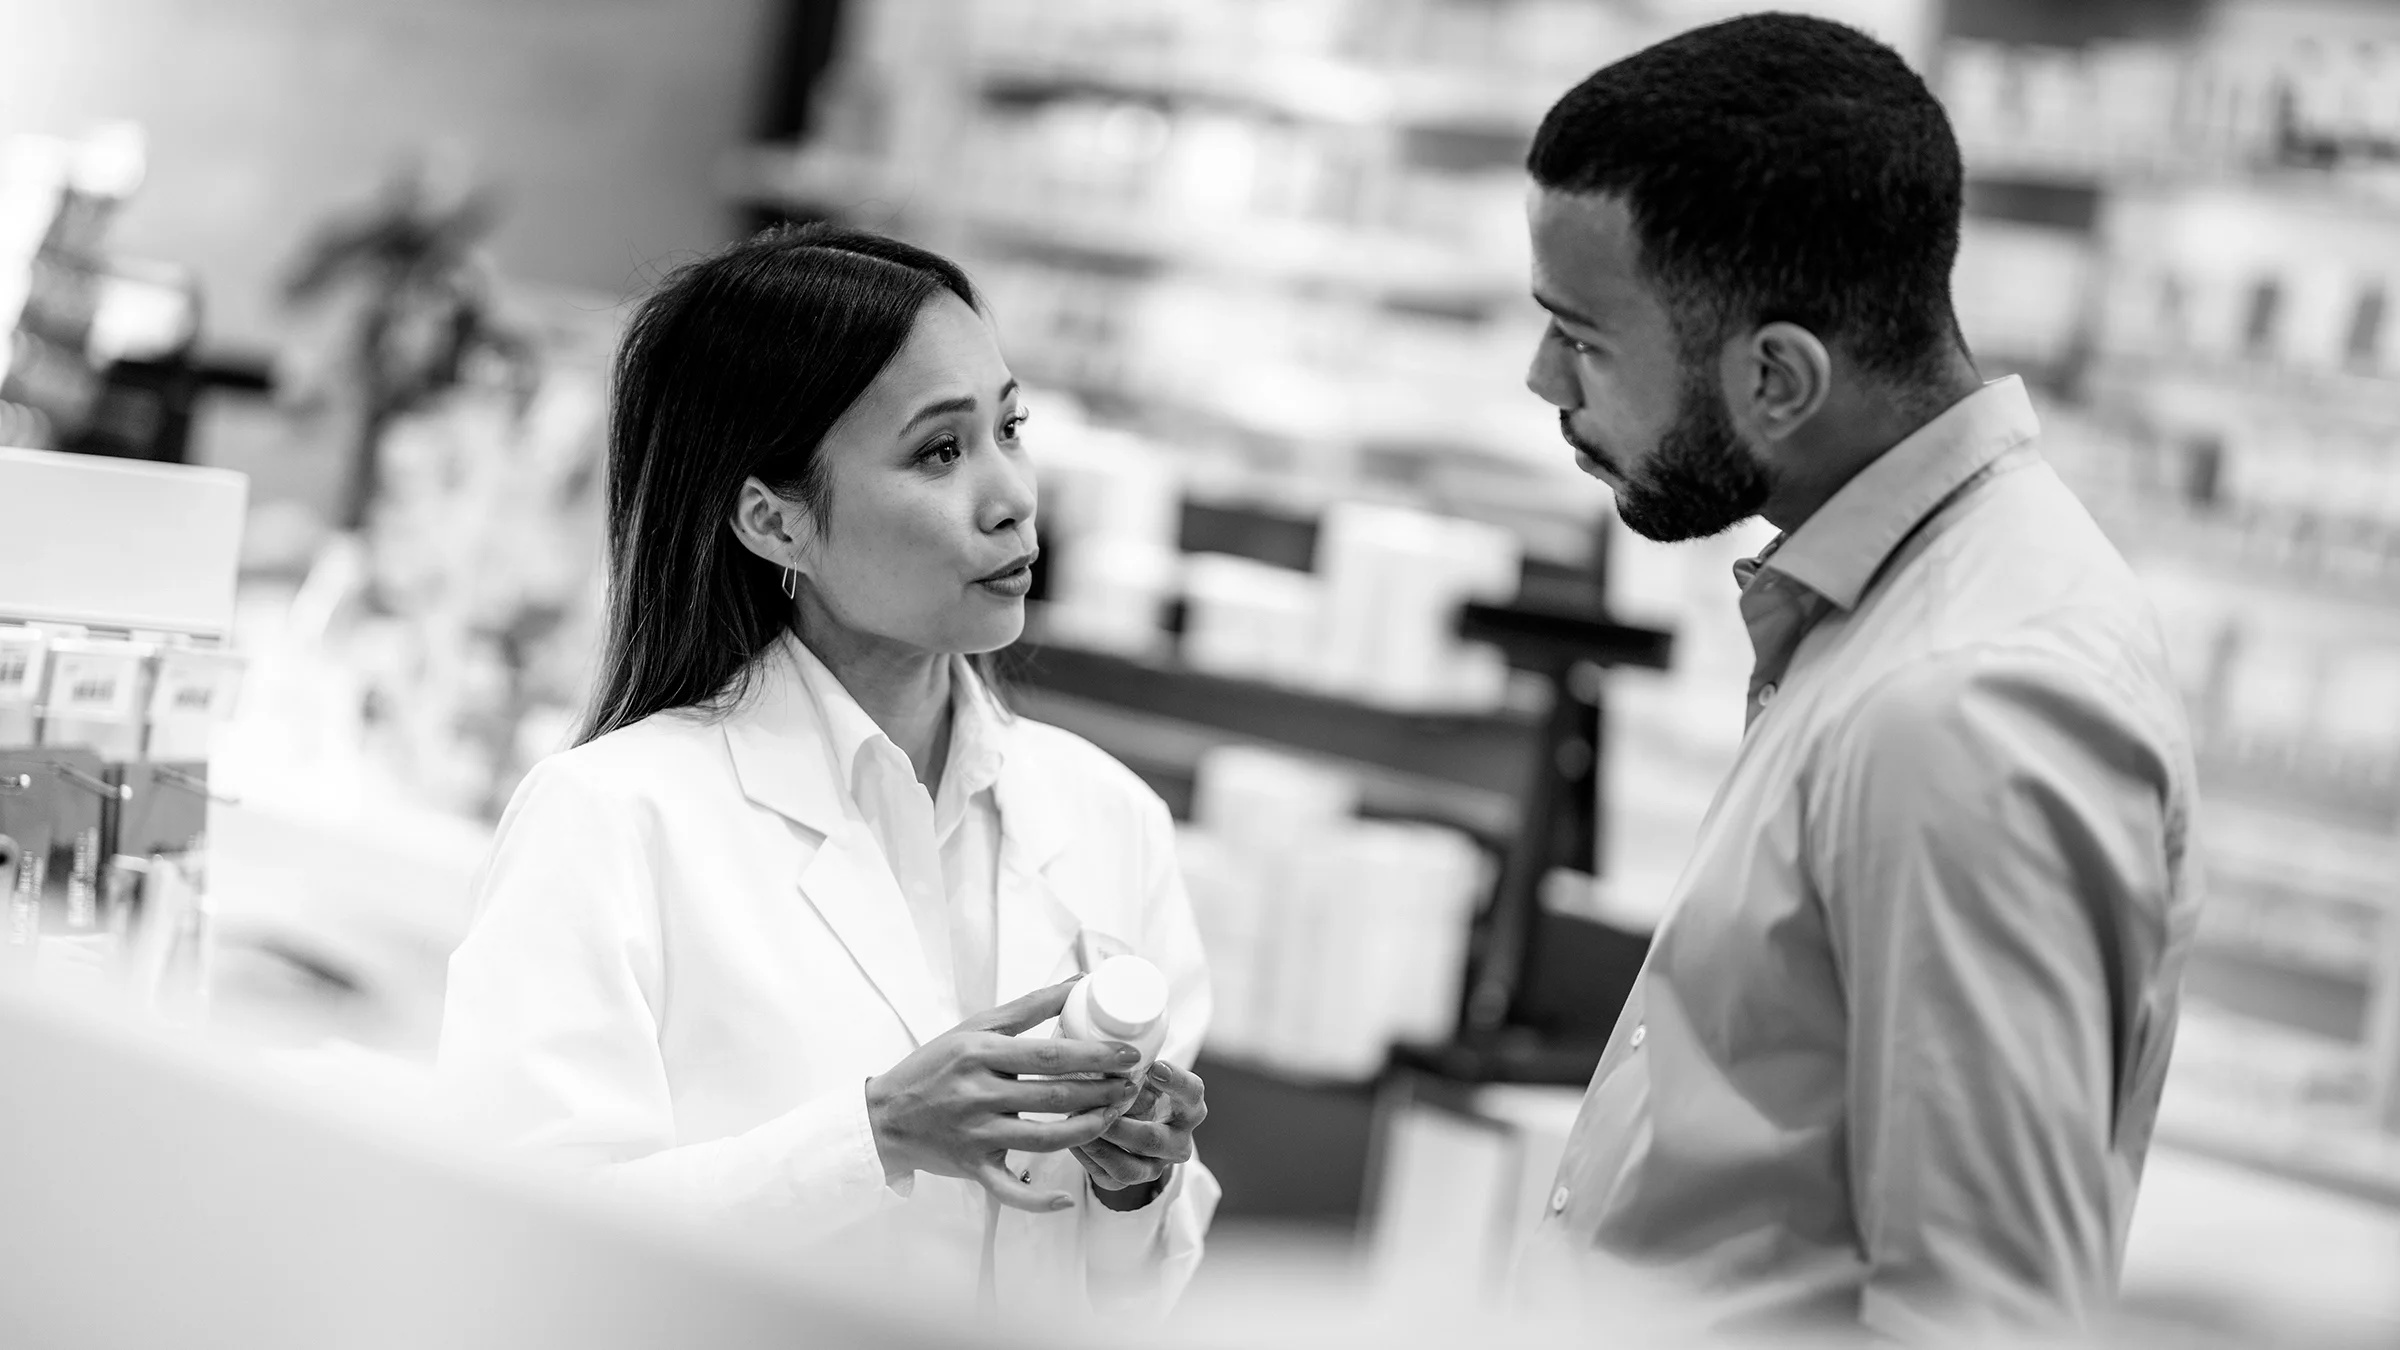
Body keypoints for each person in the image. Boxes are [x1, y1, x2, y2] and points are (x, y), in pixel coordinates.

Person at [1515, 14, 2198, 1343]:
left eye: (1582, 337)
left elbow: (1984, 1312)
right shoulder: (1885, 608)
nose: (1543, 379)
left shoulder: (1966, 704)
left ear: (1777, 376)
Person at [436, 224, 1216, 1321]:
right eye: (939, 453)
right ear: (776, 519)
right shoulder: (614, 818)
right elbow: (515, 1244)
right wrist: (875, 1134)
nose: (1011, 497)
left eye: (1010, 427)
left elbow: (1133, 1299)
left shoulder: (1108, 817)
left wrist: (1138, 1185)